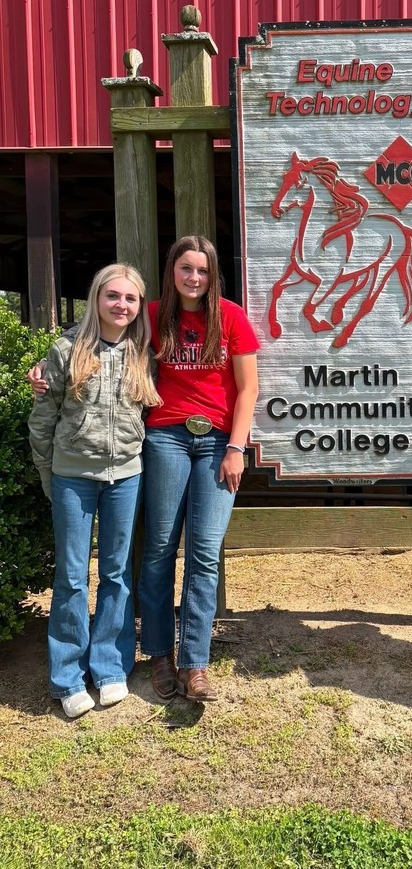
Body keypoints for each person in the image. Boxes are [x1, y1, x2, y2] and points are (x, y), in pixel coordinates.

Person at [28, 264, 161, 719]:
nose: (121, 305)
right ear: (96, 298)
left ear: (139, 305)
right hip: (72, 477)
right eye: (113, 296)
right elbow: (43, 419)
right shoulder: (66, 351)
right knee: (69, 576)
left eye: (130, 298)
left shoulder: (144, 351)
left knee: (117, 573)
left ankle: (110, 667)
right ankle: (66, 676)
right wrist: (50, 474)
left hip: (126, 474)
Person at [139, 235, 259, 703]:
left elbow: (248, 389)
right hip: (165, 437)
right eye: (186, 268)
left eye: (202, 270)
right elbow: (99, 329)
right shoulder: (152, 315)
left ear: (212, 275)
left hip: (216, 443)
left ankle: (195, 663)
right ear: (172, 271)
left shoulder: (230, 317)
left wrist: (236, 448)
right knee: (160, 549)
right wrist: (51, 365)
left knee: (205, 552)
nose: (194, 278)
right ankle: (158, 655)